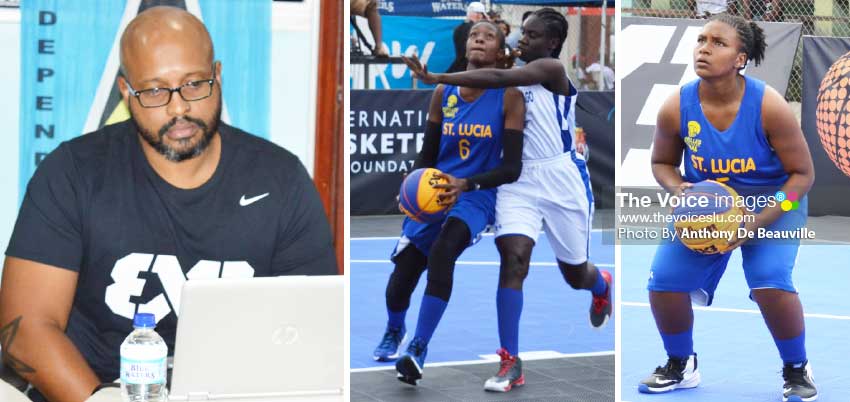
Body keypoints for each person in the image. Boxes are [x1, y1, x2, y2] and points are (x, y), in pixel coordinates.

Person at [0, 6, 336, 402]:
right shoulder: (73, 172)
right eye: (156, 90)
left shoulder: (281, 180)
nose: (179, 108)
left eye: (195, 84)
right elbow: (24, 328)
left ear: (218, 76)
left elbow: (310, 329)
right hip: (93, 390)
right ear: (126, 92)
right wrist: (98, 399)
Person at [402, 8, 612, 393]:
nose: (523, 39)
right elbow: (491, 74)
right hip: (519, 182)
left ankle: (600, 286)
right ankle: (510, 360)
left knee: (575, 274)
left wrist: (436, 75)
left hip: (562, 179)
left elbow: (498, 75)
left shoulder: (550, 69)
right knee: (513, 260)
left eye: (531, 35)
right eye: (521, 33)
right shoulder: (513, 73)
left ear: (551, 43)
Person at [637, 14, 817, 401]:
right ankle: (680, 364)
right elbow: (661, 163)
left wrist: (758, 221)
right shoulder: (677, 105)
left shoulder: (769, 106)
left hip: (771, 202)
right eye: (701, 40)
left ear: (741, 58)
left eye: (718, 43)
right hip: (707, 206)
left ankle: (796, 368)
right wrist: (679, 189)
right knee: (664, 282)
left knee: (770, 282)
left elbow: (802, 176)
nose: (704, 48)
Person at [372, 21, 526, 387]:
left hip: (475, 196)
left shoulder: (508, 96)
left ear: (500, 51)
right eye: (475, 34)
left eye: (489, 36)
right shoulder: (444, 91)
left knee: (443, 252)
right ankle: (396, 329)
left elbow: (511, 167)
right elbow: (427, 154)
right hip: (434, 193)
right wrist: (410, 188)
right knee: (400, 282)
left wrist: (468, 183)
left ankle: (418, 348)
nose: (479, 38)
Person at [446, 2, 488, 73]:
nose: (483, 18)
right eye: (482, 16)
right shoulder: (475, 29)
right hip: (468, 69)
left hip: (458, 67)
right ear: (478, 15)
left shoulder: (458, 28)